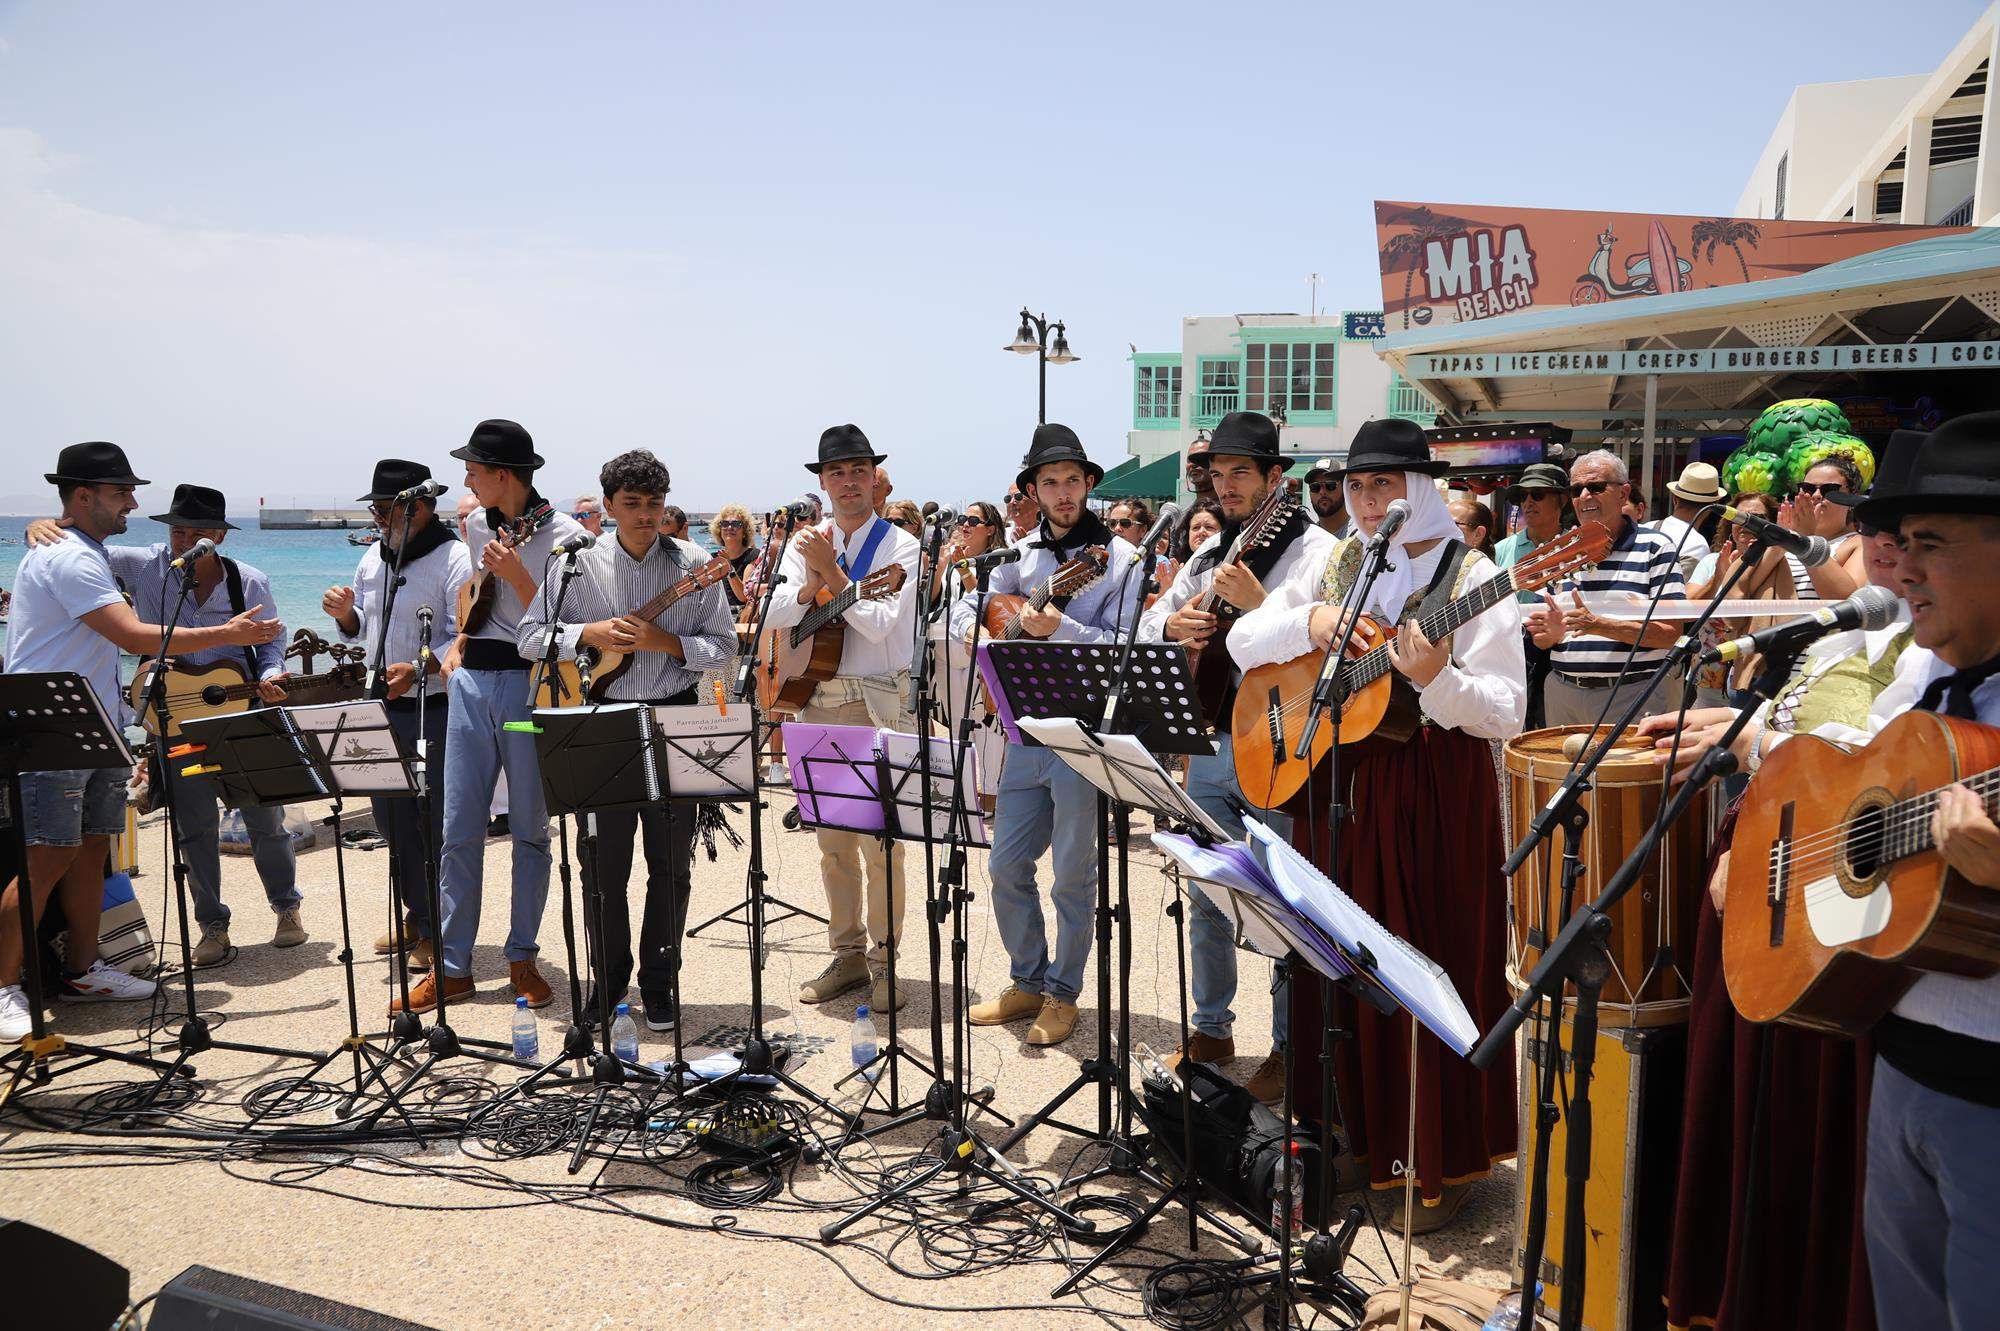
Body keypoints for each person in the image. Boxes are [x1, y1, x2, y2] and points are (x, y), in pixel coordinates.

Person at [1644, 429, 1922, 1331]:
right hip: (1769, 877)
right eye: (1878, 530)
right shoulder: (1849, 635)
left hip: (1836, 914)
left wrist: (1754, 746)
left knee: (1814, 1137)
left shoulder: (1925, 651)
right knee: (1748, 1114)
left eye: (1914, 536)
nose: (1885, 548)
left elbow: (1869, 769)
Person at [1229, 418, 1524, 1232]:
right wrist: (1310, 626)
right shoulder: (1338, 560)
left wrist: (1435, 683)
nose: (1366, 500)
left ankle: (1438, 1160)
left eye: (1384, 484)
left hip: (1433, 787)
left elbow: (1506, 708)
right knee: (1343, 961)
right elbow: (1242, 635)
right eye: (1357, 485)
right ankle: (1360, 1136)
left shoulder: (1476, 571)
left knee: (1427, 955)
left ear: (1421, 488)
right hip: (1340, 784)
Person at [0, 443, 282, 1040]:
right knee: (45, 857)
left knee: (92, 852)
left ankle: (82, 969)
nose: (133, 502)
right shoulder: (73, 559)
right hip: (53, 724)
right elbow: (132, 635)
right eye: (121, 493)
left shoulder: (92, 552)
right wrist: (228, 631)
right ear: (83, 497)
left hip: (96, 720)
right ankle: (4, 986)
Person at [1138, 412, 1335, 1101]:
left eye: (1239, 473)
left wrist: (1261, 606)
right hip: (1212, 743)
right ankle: (1212, 1027)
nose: (1224, 487)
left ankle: (1287, 1045)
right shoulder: (1208, 553)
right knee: (1204, 891)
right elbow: (1146, 617)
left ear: (1277, 478)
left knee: (1285, 902)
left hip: (1280, 747)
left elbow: (1328, 643)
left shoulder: (1317, 551)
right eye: (1216, 475)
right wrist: (1171, 624)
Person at [25, 484, 304, 965]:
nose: (184, 541)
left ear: (220, 536)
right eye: (177, 531)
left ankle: (286, 908)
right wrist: (40, 526)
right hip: (174, 721)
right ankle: (212, 926)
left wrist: (272, 676)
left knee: (266, 821)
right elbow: (80, 559)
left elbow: (272, 643)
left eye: (197, 533)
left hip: (242, 718)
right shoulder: (141, 565)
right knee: (193, 829)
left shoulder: (250, 581)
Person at [519, 450, 734, 1033]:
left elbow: (725, 647)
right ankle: (608, 982)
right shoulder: (575, 566)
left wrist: (667, 643)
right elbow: (529, 637)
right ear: (608, 506)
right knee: (600, 868)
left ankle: (660, 983)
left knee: (671, 868)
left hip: (674, 721)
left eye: (654, 504)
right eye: (632, 504)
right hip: (601, 723)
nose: (645, 515)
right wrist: (586, 632)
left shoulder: (693, 562)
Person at [959, 424, 1143, 1047]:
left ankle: (1064, 993)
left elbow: (1126, 650)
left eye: (1071, 481)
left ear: (1089, 485)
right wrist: (991, 632)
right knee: (1006, 864)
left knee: (1071, 875)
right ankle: (1026, 981)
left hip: (1082, 737)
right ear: (1031, 490)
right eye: (1049, 482)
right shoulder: (1018, 555)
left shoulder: (1120, 559)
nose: (1061, 493)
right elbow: (978, 613)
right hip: (1021, 731)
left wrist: (1060, 627)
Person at [397, 420, 583, 1015]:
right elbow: (472, 597)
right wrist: (453, 647)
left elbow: (571, 626)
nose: (467, 478)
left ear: (504, 475)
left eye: (474, 469)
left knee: (530, 828)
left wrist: (520, 576)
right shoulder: (477, 523)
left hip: (530, 689)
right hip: (472, 685)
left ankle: (521, 957)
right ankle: (453, 967)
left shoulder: (568, 537)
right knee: (458, 829)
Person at [764, 425, 921, 1013]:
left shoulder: (901, 545)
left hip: (880, 696)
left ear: (874, 479)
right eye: (837, 472)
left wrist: (831, 575)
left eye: (859, 470)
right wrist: (812, 582)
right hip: (819, 692)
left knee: (883, 841)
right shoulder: (807, 540)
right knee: (832, 840)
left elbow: (882, 623)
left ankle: (884, 961)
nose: (849, 481)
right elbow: (774, 610)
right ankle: (847, 953)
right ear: (822, 482)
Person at [325, 460, 471, 971]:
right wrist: (344, 613)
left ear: (421, 508)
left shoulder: (456, 559)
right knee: (390, 820)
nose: (379, 518)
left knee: (431, 821)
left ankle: (437, 928)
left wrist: (419, 668)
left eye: (387, 509)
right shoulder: (372, 556)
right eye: (376, 509)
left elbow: (464, 637)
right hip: (379, 704)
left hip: (434, 706)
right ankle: (417, 916)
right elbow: (365, 625)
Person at [1526, 449, 1686, 727]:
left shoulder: (1656, 548)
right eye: (1576, 490)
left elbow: (1670, 634)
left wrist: (1599, 625)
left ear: (1623, 494)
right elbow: (1544, 640)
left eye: (1596, 487)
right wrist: (1548, 635)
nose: (1584, 496)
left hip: (1633, 694)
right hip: (1563, 694)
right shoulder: (1559, 552)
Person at [1494, 462, 1570, 729]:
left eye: (1537, 494)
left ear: (1561, 499)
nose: (1528, 502)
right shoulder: (1502, 549)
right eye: (1522, 496)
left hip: (1564, 653)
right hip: (1514, 651)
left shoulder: (1578, 547)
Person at [1779, 452, 1870, 600]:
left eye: (1828, 489)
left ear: (1851, 496)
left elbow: (1848, 601)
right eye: (1808, 488)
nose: (1816, 495)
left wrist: (1809, 540)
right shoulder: (1783, 545)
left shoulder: (1861, 544)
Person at [1656, 461, 1720, 578]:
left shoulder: (1645, 527)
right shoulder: (1697, 545)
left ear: (1675, 499)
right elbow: (1685, 593)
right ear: (1712, 507)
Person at [711, 503, 758, 612]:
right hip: (716, 615)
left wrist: (729, 569)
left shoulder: (753, 556)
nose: (730, 527)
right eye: (725, 524)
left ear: (744, 532)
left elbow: (743, 596)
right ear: (719, 530)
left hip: (739, 615)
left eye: (736, 524)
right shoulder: (712, 558)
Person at [1303, 457, 1349, 538]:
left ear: (1344, 488)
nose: (1322, 492)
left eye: (1330, 485)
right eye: (1315, 487)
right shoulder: (1305, 539)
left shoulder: (1362, 534)